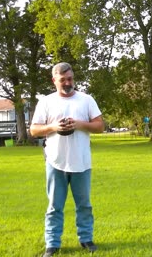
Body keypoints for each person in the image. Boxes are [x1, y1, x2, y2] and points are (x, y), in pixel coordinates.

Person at [30, 62, 104, 257]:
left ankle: (86, 239)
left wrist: (79, 124)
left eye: (70, 78)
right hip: (55, 162)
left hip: (81, 162)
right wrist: (53, 127)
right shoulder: (46, 102)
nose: (67, 82)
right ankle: (52, 243)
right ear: (54, 80)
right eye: (62, 80)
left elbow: (99, 126)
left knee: (84, 205)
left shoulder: (86, 100)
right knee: (54, 206)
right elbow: (34, 130)